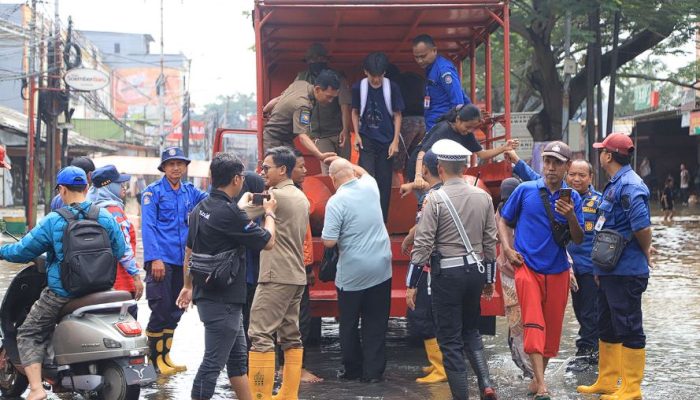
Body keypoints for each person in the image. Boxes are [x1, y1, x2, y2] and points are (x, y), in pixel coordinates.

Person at [0, 166, 126, 400]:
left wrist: (2, 251)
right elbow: (119, 250)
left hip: (63, 293)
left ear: (62, 190)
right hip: (101, 290)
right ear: (87, 188)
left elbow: (22, 251)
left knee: (28, 332)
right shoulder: (105, 216)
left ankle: (37, 389)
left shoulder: (54, 220)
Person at [175, 153, 277, 400]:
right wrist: (270, 212)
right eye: (241, 176)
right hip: (224, 301)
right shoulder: (230, 213)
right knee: (212, 364)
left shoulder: (201, 209)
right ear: (236, 179)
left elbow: (189, 250)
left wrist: (187, 285)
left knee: (237, 361)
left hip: (210, 294)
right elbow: (268, 242)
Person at [409, 139, 498, 400]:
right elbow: (490, 241)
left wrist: (412, 284)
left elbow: (423, 244)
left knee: (449, 340)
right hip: (476, 272)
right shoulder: (482, 196)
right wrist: (489, 279)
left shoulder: (433, 199)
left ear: (440, 166)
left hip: (447, 275)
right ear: (464, 166)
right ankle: (486, 384)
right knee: (471, 330)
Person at [497, 141, 584, 399]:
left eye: (557, 163)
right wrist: (507, 248)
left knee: (552, 327)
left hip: (557, 270)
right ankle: (543, 385)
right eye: (547, 161)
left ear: (566, 167)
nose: (550, 167)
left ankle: (537, 379)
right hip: (527, 268)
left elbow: (578, 240)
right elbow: (503, 219)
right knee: (533, 321)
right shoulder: (525, 190)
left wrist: (570, 216)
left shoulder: (574, 198)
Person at [506, 150, 603, 372]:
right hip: (560, 266)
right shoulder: (541, 192)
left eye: (582, 175)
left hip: (586, 267)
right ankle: (539, 371)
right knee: (551, 315)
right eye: (574, 175)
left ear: (591, 178)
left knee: (586, 314)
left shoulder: (595, 202)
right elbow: (535, 179)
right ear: (568, 174)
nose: (577, 179)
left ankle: (588, 354)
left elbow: (598, 235)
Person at [578, 133, 653, 400]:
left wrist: (645, 250)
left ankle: (631, 388)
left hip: (626, 271)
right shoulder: (614, 184)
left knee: (629, 325)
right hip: (608, 270)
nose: (600, 154)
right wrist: (599, 271)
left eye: (601, 151)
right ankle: (608, 381)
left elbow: (642, 226)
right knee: (606, 324)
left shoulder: (631, 185)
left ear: (608, 155)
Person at [239, 146, 309, 400]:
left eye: (266, 168)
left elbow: (237, 216)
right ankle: (289, 395)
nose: (262, 172)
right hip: (294, 274)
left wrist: (246, 197)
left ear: (282, 170)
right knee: (291, 336)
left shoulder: (273, 197)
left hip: (275, 274)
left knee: (259, 334)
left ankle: (259, 395)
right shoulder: (300, 196)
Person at [322, 157, 392, 383]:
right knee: (376, 322)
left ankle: (352, 369)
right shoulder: (371, 185)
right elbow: (364, 172)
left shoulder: (336, 201)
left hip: (353, 273)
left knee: (350, 323)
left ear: (333, 179)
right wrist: (347, 163)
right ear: (352, 172)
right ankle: (373, 373)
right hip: (382, 267)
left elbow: (329, 242)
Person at [141, 146, 208, 375]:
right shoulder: (153, 193)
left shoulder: (190, 192)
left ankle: (166, 357)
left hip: (183, 262)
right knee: (160, 309)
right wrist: (154, 259)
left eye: (180, 163)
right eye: (171, 164)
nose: (176, 168)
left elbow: (214, 199)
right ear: (163, 167)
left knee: (175, 311)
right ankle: (153, 362)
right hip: (163, 261)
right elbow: (148, 227)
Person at [276, 148, 323, 383]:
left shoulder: (294, 193)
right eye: (301, 167)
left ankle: (286, 367)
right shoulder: (288, 196)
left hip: (297, 264)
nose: (306, 170)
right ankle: (293, 369)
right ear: (287, 169)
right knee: (297, 320)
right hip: (292, 266)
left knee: (291, 319)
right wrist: (306, 266)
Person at [402, 150, 447, 383]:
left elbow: (422, 231)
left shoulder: (431, 197)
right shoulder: (446, 192)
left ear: (427, 170)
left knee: (422, 315)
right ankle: (437, 364)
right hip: (446, 265)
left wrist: (410, 240)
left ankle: (440, 368)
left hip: (429, 267)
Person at [410, 105, 518, 190]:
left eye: (473, 128)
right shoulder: (443, 129)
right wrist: (418, 176)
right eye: (467, 127)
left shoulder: (467, 134)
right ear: (458, 119)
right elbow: (421, 153)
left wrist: (504, 148)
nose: (469, 131)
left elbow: (482, 154)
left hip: (439, 168)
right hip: (421, 166)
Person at [351, 52, 405, 222]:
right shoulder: (358, 88)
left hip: (387, 140)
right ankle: (365, 218)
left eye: (380, 75)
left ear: (384, 73)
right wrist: (357, 135)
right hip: (366, 138)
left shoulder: (392, 87)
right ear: (365, 72)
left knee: (384, 181)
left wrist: (395, 141)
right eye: (373, 76)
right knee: (366, 178)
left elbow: (397, 114)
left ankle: (382, 221)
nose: (376, 80)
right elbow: (355, 111)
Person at [89, 165, 144, 318]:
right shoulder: (114, 211)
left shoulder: (91, 209)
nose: (124, 188)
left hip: (99, 283)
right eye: (120, 184)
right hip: (121, 283)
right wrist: (136, 276)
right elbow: (124, 248)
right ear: (109, 186)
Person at [494, 177, 534, 379]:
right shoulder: (523, 210)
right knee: (528, 322)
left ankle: (527, 369)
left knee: (516, 325)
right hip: (527, 271)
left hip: (509, 275)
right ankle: (531, 370)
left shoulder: (500, 212)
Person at [262, 69, 341, 164]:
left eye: (333, 97)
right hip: (273, 139)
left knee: (296, 166)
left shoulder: (300, 84)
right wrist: (320, 155)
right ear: (317, 89)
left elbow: (278, 99)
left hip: (285, 139)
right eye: (328, 96)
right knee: (279, 171)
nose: (330, 101)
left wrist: (264, 111)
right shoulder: (303, 106)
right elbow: (302, 136)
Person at [297, 43, 353, 170]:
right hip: (320, 135)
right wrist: (307, 131)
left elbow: (344, 106)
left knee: (344, 169)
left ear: (326, 60)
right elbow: (299, 106)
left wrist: (345, 129)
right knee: (328, 172)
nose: (316, 62)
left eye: (320, 59)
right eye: (312, 59)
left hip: (338, 132)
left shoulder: (337, 78)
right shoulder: (302, 78)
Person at [411, 34, 471, 132]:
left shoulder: (444, 70)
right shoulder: (430, 69)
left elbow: (458, 101)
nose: (420, 61)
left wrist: (454, 129)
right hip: (434, 126)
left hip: (444, 128)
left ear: (434, 50)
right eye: (416, 57)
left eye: (423, 56)